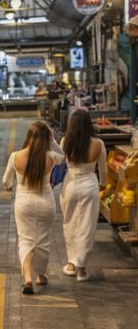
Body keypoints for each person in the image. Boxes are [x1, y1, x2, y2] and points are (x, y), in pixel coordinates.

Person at [2, 122, 63, 294]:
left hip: (23, 203)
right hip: (46, 202)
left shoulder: (15, 156)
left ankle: (27, 278)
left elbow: (6, 182)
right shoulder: (51, 156)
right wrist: (53, 141)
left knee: (26, 240)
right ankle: (40, 276)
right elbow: (63, 156)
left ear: (28, 136)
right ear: (46, 137)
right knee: (43, 240)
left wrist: (10, 187)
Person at [59, 110, 106, 282]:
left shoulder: (65, 141)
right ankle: (82, 269)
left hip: (70, 184)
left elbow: (58, 163)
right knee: (87, 226)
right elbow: (103, 171)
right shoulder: (98, 144)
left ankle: (71, 264)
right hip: (90, 185)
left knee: (69, 223)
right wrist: (103, 185)